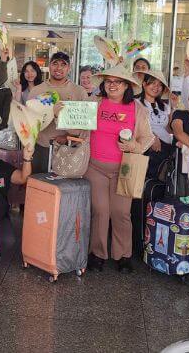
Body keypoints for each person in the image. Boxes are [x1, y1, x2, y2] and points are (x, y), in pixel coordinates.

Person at [83, 65, 153, 274]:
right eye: (108, 81)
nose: (112, 85)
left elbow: (147, 137)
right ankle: (97, 254)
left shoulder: (136, 108)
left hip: (125, 169)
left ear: (126, 86)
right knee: (100, 211)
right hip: (95, 167)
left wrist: (134, 146)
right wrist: (61, 112)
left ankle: (123, 255)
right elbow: (76, 124)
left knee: (121, 212)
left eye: (118, 82)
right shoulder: (94, 103)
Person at [25, 52, 89, 174]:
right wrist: (51, 114)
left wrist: (68, 137)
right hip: (41, 148)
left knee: (64, 190)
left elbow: (85, 126)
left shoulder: (79, 91)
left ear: (69, 68)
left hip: (70, 150)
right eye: (55, 64)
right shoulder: (37, 91)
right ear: (49, 66)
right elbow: (29, 123)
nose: (58, 68)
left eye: (63, 64)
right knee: (40, 187)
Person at [137, 69, 174, 175]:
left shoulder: (164, 106)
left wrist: (173, 107)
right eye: (152, 83)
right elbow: (135, 126)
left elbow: (169, 130)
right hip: (148, 149)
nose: (156, 87)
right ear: (144, 84)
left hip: (166, 148)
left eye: (159, 85)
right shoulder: (136, 103)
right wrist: (152, 137)